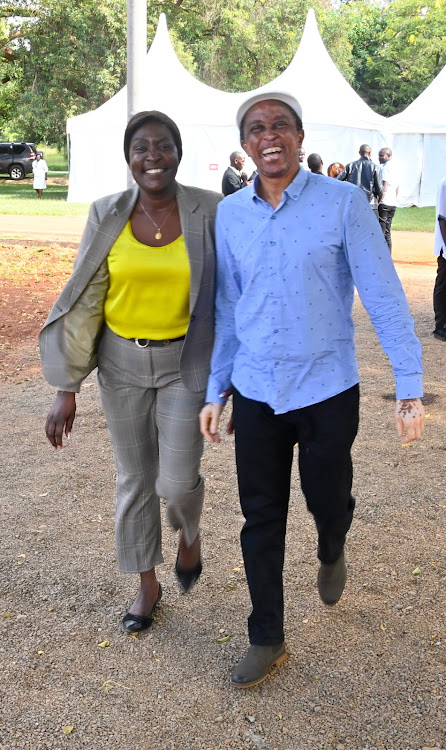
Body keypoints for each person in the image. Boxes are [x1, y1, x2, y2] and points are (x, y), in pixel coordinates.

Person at [199, 91, 425, 689]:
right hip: (256, 388)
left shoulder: (344, 203)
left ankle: (332, 545)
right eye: (255, 128)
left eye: (279, 126)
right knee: (260, 516)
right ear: (245, 143)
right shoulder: (232, 215)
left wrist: (409, 386)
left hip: (327, 388)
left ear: (298, 136)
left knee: (328, 500)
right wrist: (216, 389)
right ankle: (266, 637)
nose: (267, 136)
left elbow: (382, 294)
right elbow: (229, 307)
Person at [40, 111, 221, 633]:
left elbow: (233, 288)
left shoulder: (209, 208)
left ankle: (189, 533)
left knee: (178, 479)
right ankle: (147, 585)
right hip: (120, 364)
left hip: (185, 362)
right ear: (129, 158)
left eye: (162, 146)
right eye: (141, 148)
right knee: (135, 479)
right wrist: (66, 387)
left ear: (178, 153)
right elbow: (86, 297)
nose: (152, 157)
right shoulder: (107, 212)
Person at [337, 145, 382, 222]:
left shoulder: (350, 166)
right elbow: (379, 188)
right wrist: (380, 197)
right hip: (370, 204)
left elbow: (337, 181)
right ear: (370, 153)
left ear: (359, 153)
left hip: (354, 203)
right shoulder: (375, 167)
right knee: (371, 230)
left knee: (354, 230)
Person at [432, 176, 446, 342]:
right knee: (443, 283)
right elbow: (442, 218)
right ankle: (440, 326)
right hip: (445, 246)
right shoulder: (445, 183)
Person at [378, 147, 399, 252]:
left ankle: (382, 255)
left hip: (385, 202)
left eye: (382, 155)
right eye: (379, 155)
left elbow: (384, 185)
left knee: (381, 230)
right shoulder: (396, 167)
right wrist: (395, 198)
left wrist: (380, 199)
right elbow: (397, 187)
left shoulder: (385, 168)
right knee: (387, 230)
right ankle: (387, 255)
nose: (379, 157)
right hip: (392, 203)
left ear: (389, 156)